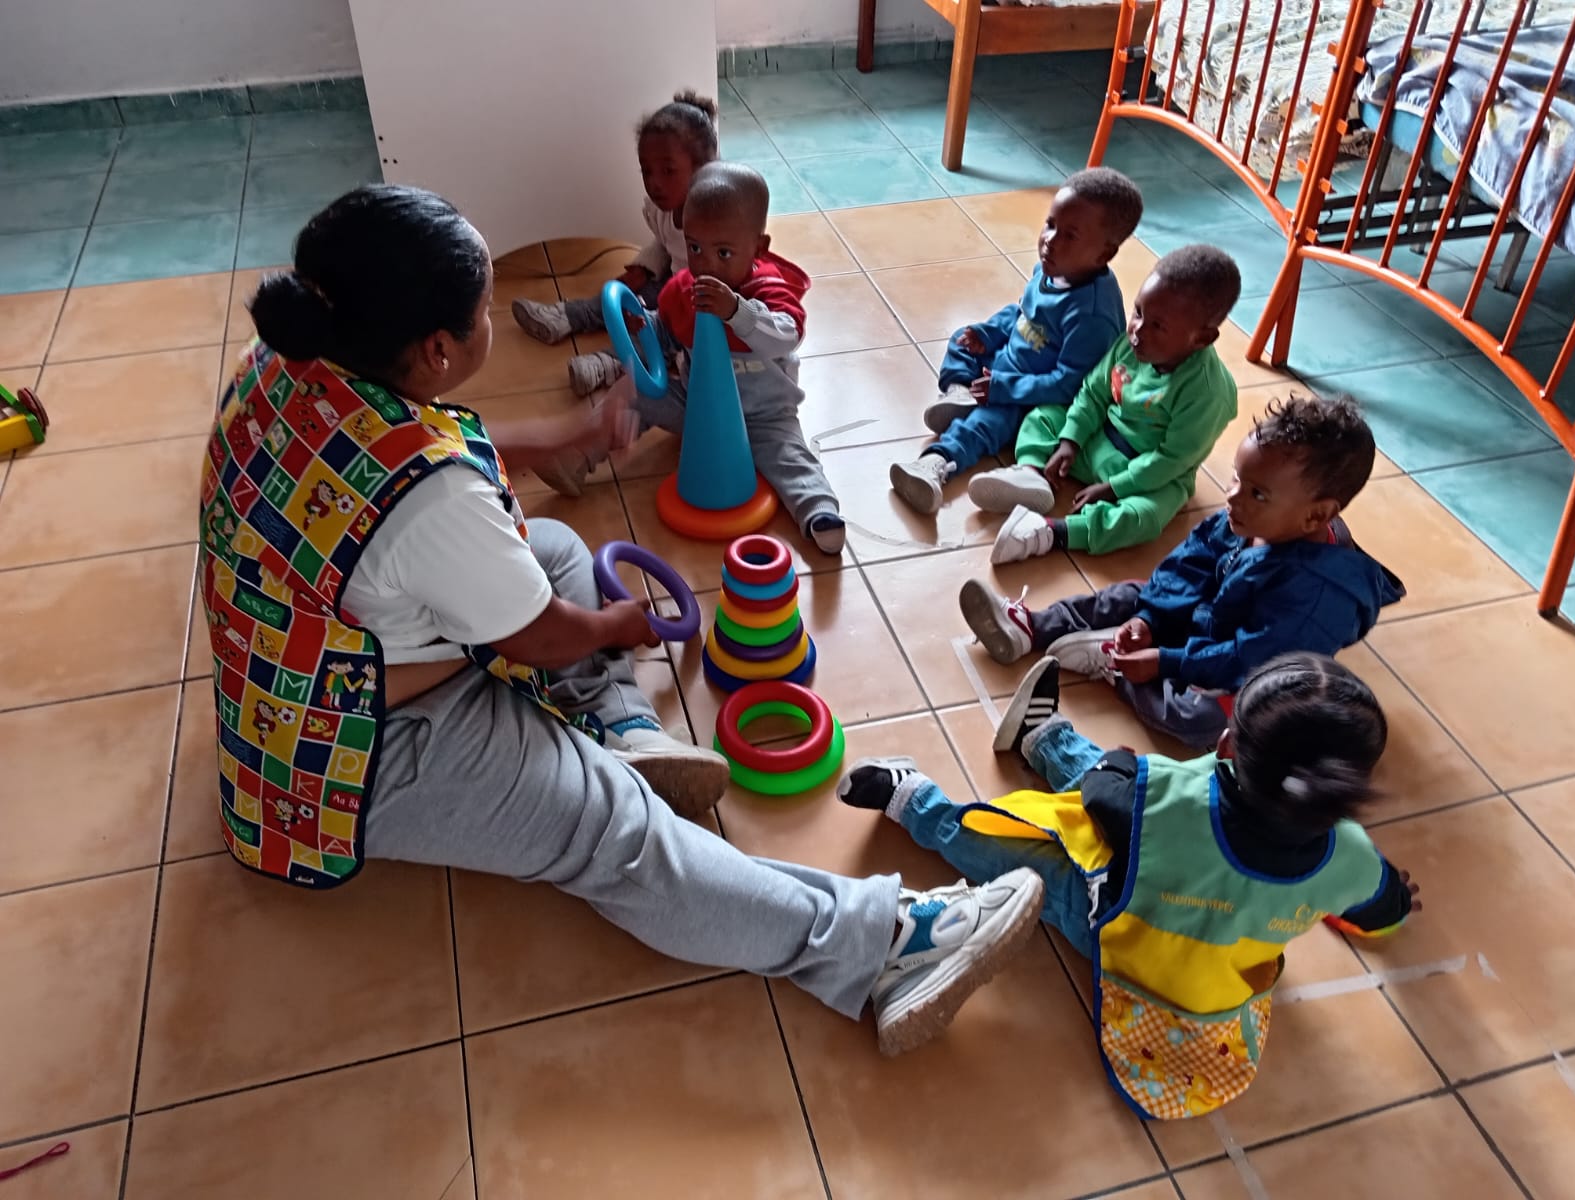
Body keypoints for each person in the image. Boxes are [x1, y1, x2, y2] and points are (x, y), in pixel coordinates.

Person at [201, 184, 1043, 1057]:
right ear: (438, 349)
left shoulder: (296, 354)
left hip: (308, 669)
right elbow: (536, 631)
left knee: (554, 545)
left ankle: (625, 732)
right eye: (484, 308)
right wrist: (619, 628)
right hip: (353, 752)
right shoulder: (436, 502)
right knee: (611, 831)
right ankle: (883, 948)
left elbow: (419, 449)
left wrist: (557, 438)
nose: (489, 318)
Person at [837, 652, 1421, 1118]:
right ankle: (1031, 740)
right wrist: (1398, 902)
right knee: (1129, 792)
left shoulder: (1170, 796)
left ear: (1226, 745)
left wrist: (1120, 768)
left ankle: (919, 797)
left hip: (1111, 925)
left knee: (1016, 845)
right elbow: (1382, 906)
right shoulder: (1353, 858)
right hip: (1207, 975)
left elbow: (1104, 793)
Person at [960, 394, 1405, 747]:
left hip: (1247, 664)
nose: (1232, 496)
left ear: (1315, 516)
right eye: (1236, 478)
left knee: (1203, 720)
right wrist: (1149, 619)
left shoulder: (1318, 597)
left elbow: (1250, 659)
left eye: (1257, 493)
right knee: (1131, 595)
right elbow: (1190, 563)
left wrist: (1166, 661)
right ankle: (1032, 627)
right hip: (1212, 621)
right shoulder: (1249, 516)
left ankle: (1115, 667)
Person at [617, 161, 847, 554]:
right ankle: (578, 453)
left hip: (764, 415)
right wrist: (644, 325)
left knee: (788, 457)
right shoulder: (685, 287)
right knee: (631, 397)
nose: (705, 264)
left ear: (758, 248)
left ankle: (819, 510)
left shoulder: (769, 289)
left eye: (723, 252)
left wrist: (738, 312)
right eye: (695, 248)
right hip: (696, 407)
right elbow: (668, 331)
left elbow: (787, 336)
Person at [887, 169, 1142, 515]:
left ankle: (934, 465)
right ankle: (960, 393)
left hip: (1032, 395)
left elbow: (1069, 385)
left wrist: (1004, 389)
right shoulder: (1052, 267)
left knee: (986, 422)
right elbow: (1023, 312)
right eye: (1050, 224)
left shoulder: (1093, 315)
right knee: (962, 339)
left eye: (1070, 235)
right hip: (1007, 365)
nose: (1050, 240)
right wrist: (989, 333)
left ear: (1103, 254)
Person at [971, 245, 1242, 564]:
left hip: (1147, 474)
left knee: (1145, 517)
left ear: (1202, 339)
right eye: (1138, 312)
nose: (1138, 331)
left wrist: (1115, 488)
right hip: (1097, 440)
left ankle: (1054, 532)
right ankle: (1031, 475)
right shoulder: (1132, 344)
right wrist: (1071, 440)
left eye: (1158, 326)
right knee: (1044, 415)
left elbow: (1171, 460)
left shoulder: (1208, 393)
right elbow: (1093, 391)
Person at [511, 92, 718, 398]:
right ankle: (567, 317)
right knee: (622, 293)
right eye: (646, 171)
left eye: (668, 171)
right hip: (673, 282)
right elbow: (665, 243)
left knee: (660, 330)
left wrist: (672, 305)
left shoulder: (711, 218)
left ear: (701, 169)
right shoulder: (660, 208)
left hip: (701, 302)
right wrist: (644, 268)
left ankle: (609, 363)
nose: (654, 183)